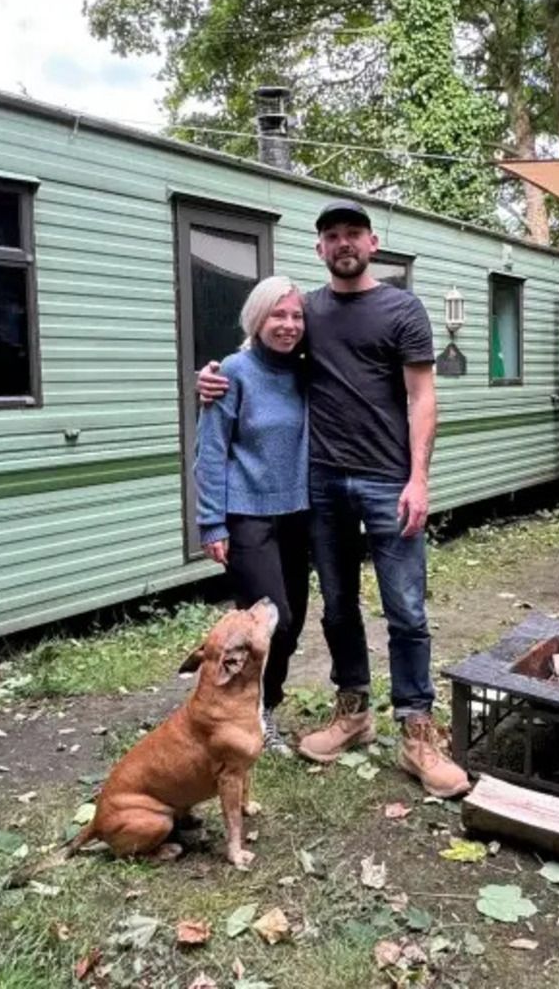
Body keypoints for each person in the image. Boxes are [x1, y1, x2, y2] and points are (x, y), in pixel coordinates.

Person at [197, 200, 470, 798]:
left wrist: (419, 478)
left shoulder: (403, 308)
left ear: (372, 243)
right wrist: (213, 375)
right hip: (320, 484)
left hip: (387, 481)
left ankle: (418, 731)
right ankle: (352, 712)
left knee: (406, 609)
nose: (343, 243)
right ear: (320, 249)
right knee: (338, 607)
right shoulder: (309, 312)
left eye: (353, 233)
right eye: (331, 236)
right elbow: (263, 354)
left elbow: (422, 397)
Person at [194, 276, 310, 757]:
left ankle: (263, 704)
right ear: (256, 319)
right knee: (272, 624)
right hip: (247, 516)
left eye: (296, 316)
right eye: (277, 315)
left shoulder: (306, 371)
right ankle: (251, 712)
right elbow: (211, 449)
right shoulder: (233, 372)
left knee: (296, 619)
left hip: (298, 513)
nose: (287, 325)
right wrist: (211, 522)